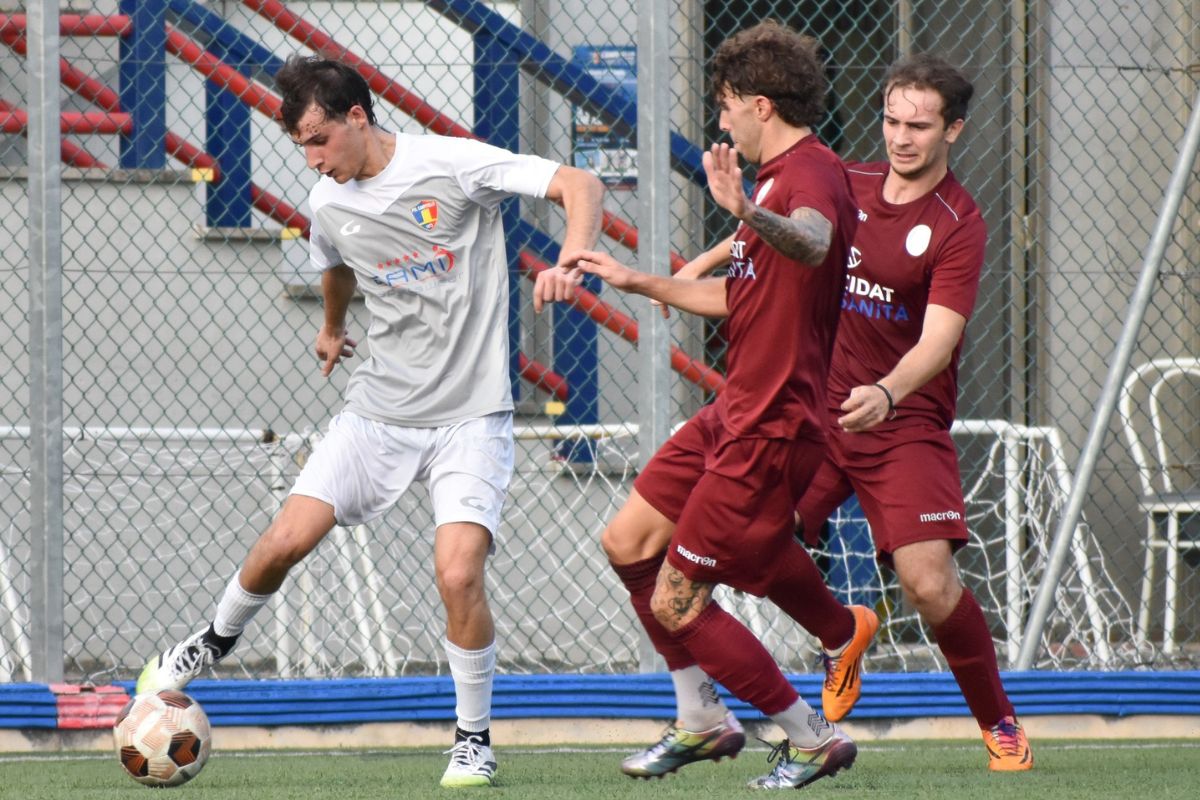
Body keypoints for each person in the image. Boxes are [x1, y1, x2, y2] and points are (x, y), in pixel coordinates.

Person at [134, 55, 604, 788]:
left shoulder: (451, 165)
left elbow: (580, 183)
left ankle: (473, 741)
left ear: (358, 116)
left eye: (320, 140)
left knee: (458, 573)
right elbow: (337, 262)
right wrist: (330, 327)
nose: (314, 160)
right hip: (379, 411)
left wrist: (572, 253)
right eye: (302, 148)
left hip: (470, 416)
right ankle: (208, 644)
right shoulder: (329, 201)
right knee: (283, 543)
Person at [553, 21, 861, 790]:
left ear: (760, 105)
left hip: (771, 426)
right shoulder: (776, 179)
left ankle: (810, 738)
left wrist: (745, 212)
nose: (720, 124)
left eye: (724, 107)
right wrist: (638, 280)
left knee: (678, 600)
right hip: (736, 411)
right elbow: (740, 295)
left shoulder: (809, 174)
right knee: (628, 541)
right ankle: (700, 719)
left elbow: (814, 243)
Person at [791, 53, 1034, 772]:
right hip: (822, 413)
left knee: (927, 585)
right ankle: (843, 632)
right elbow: (776, 239)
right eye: (892, 121)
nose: (901, 137)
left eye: (919, 126)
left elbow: (938, 341)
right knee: (751, 537)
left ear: (952, 129)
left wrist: (888, 392)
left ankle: (1000, 724)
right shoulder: (846, 182)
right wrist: (702, 265)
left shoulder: (959, 222)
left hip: (903, 424)